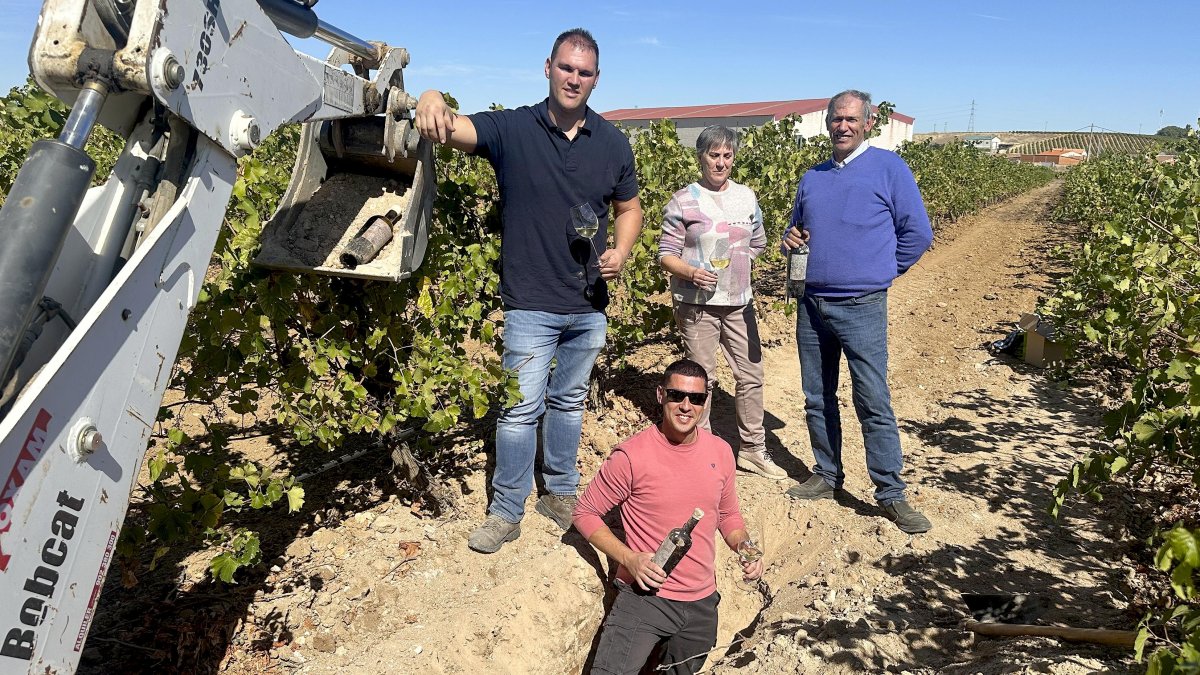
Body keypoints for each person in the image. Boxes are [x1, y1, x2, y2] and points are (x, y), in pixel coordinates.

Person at [413, 28, 644, 553]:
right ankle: (506, 509)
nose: (574, 79)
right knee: (519, 410)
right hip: (530, 304)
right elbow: (450, 128)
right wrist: (431, 98)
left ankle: (560, 492)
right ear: (548, 68)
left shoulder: (612, 143)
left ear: (596, 79)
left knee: (567, 404)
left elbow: (629, 209)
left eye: (585, 73)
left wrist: (622, 251)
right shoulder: (512, 128)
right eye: (567, 68)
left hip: (588, 305)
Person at [781, 90, 934, 534]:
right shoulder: (813, 176)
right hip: (811, 304)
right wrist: (789, 239)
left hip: (862, 304)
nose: (842, 126)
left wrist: (880, 273)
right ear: (827, 123)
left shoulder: (889, 168)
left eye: (851, 119)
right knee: (816, 396)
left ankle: (889, 493)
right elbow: (798, 231)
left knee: (872, 399)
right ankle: (827, 475)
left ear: (869, 123)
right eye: (835, 119)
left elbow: (918, 234)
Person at [574, 359, 764, 674]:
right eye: (677, 395)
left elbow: (728, 515)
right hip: (645, 599)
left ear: (706, 402)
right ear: (661, 395)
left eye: (696, 398)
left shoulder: (720, 452)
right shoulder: (632, 456)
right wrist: (630, 559)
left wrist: (746, 548)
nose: (686, 406)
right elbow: (585, 513)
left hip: (702, 605)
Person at [657, 126, 784, 480]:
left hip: (740, 304)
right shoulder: (683, 200)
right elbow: (665, 254)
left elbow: (757, 242)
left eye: (727, 156)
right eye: (714, 155)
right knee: (704, 379)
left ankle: (753, 450)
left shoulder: (747, 197)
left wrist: (738, 267)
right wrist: (691, 272)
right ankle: (704, 452)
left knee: (751, 375)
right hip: (697, 304)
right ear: (701, 157)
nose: (721, 162)